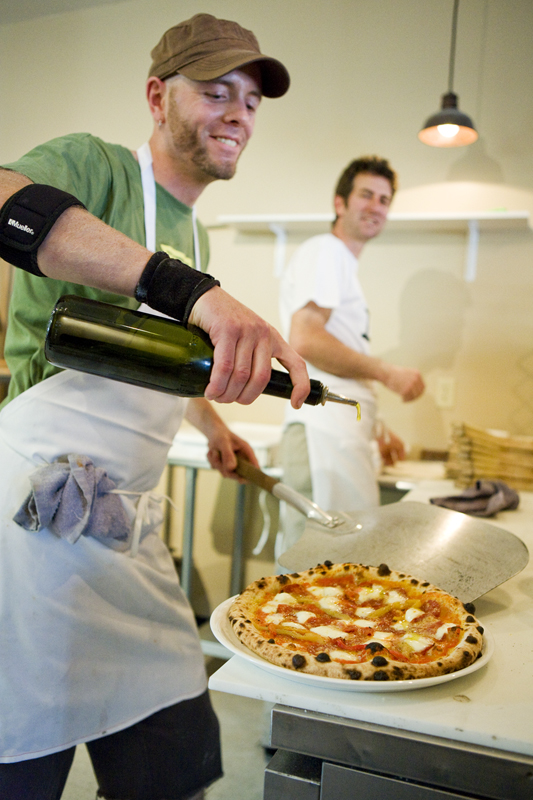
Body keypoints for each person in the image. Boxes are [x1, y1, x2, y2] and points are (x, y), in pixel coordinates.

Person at [0, 13, 309, 800]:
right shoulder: (94, 167)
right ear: (155, 96)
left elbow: (148, 362)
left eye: (249, 100)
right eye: (214, 91)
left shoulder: (194, 236)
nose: (237, 112)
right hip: (31, 536)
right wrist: (184, 289)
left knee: (171, 767)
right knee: (22, 752)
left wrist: (212, 422)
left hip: (123, 537)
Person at [278, 156, 425, 554]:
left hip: (335, 429)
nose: (376, 205)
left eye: (384, 199)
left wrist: (377, 428)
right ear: (340, 202)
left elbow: (334, 358)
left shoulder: (339, 262)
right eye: (366, 195)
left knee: (336, 564)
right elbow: (306, 340)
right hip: (323, 434)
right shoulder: (327, 251)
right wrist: (387, 373)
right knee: (315, 564)